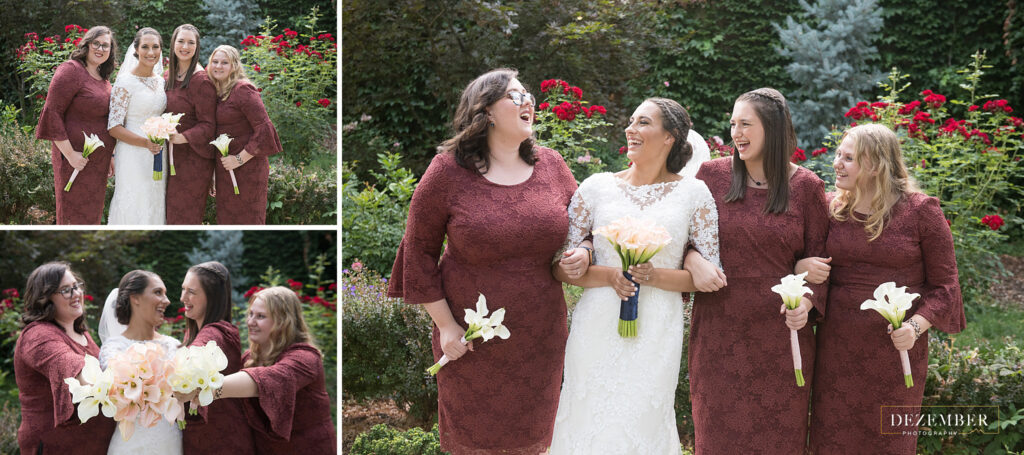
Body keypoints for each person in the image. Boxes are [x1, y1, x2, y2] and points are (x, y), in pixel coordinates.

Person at [387, 68, 579, 454]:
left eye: (528, 95)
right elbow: (418, 252)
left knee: (535, 441)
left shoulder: (552, 165)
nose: (528, 102)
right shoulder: (447, 171)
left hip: (540, 335)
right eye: (515, 95)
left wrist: (581, 254)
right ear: (486, 111)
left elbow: (584, 227)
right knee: (475, 443)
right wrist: (445, 327)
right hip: (470, 340)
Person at [548, 98, 720, 454]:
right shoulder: (595, 188)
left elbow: (705, 280)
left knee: (644, 417)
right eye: (631, 121)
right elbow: (563, 269)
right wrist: (610, 274)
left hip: (657, 326)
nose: (631, 129)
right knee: (586, 417)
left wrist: (654, 277)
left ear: (670, 136)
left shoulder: (694, 194)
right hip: (597, 323)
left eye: (643, 122)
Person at [801, 123, 965, 453]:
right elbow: (814, 270)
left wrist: (916, 327)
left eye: (848, 158)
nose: (836, 163)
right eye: (838, 154)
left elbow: (945, 287)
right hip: (837, 350)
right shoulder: (831, 209)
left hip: (896, 350)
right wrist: (801, 273)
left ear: (875, 165)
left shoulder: (921, 211)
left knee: (889, 441)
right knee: (832, 439)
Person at [683, 87, 829, 453]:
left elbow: (822, 264)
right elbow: (682, 236)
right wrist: (692, 259)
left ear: (773, 128)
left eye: (746, 124)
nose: (736, 133)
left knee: (778, 437)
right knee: (717, 436)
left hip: (781, 335)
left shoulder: (808, 187)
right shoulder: (711, 177)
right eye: (733, 124)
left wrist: (807, 304)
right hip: (719, 329)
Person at [206, 287, 334, 454]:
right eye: (251, 314)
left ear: (283, 321)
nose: (251, 322)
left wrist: (210, 388)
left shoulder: (306, 358)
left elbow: (270, 379)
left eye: (261, 316)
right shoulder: (249, 358)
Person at [14, 262, 115, 454]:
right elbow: (75, 369)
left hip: (92, 446)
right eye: (66, 290)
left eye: (76, 286)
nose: (76, 294)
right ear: (45, 298)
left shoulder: (82, 333)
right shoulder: (37, 336)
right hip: (55, 447)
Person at [35, 26, 118, 224]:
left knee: (92, 218)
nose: (100, 48)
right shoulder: (71, 70)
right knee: (72, 215)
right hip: (74, 160)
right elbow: (52, 112)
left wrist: (111, 156)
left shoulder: (103, 78)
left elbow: (106, 120)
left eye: (105, 45)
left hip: (97, 164)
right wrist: (71, 154)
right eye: (96, 43)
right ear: (86, 44)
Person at [98, 270, 181, 454]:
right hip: (130, 445)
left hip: (171, 443)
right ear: (135, 298)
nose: (167, 301)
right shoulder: (114, 349)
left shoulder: (173, 345)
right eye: (158, 292)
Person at [179, 262, 255, 453]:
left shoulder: (215, 333)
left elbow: (187, 365)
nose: (182, 298)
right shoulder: (197, 332)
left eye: (191, 292)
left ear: (211, 297)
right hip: (208, 438)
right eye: (183, 289)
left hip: (221, 442)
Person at [206, 45, 282, 224]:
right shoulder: (216, 91)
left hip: (248, 167)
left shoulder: (243, 89)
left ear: (234, 66)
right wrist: (215, 173)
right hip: (226, 168)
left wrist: (239, 159)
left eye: (224, 62)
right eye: (215, 62)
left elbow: (264, 129)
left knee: (248, 220)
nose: (218, 66)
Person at [107, 27, 168, 225]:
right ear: (136, 50)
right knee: (133, 200)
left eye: (155, 47)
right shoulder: (125, 81)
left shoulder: (160, 81)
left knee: (155, 200)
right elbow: (114, 127)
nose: (151, 52)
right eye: (145, 47)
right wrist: (145, 143)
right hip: (133, 152)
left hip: (159, 151)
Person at [165, 24, 217, 225]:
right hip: (169, 156)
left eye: (190, 42)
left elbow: (209, 124)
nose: (185, 46)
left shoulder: (201, 80)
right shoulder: (168, 75)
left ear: (197, 47)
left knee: (183, 216)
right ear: (173, 43)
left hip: (193, 160)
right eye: (181, 41)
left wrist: (183, 137)